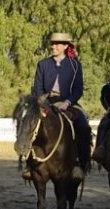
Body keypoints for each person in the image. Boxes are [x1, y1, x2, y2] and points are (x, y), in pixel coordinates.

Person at [28, 32, 91, 179]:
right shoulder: (42, 64)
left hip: (68, 103)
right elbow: (37, 88)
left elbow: (78, 89)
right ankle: (29, 164)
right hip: (45, 102)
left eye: (57, 44)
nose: (53, 46)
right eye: (52, 43)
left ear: (65, 46)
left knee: (82, 126)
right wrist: (42, 102)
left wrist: (67, 102)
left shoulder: (75, 65)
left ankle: (79, 165)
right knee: (29, 123)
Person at [92, 81, 110, 163]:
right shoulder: (109, 87)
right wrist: (109, 107)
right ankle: (101, 147)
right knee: (104, 123)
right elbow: (104, 98)